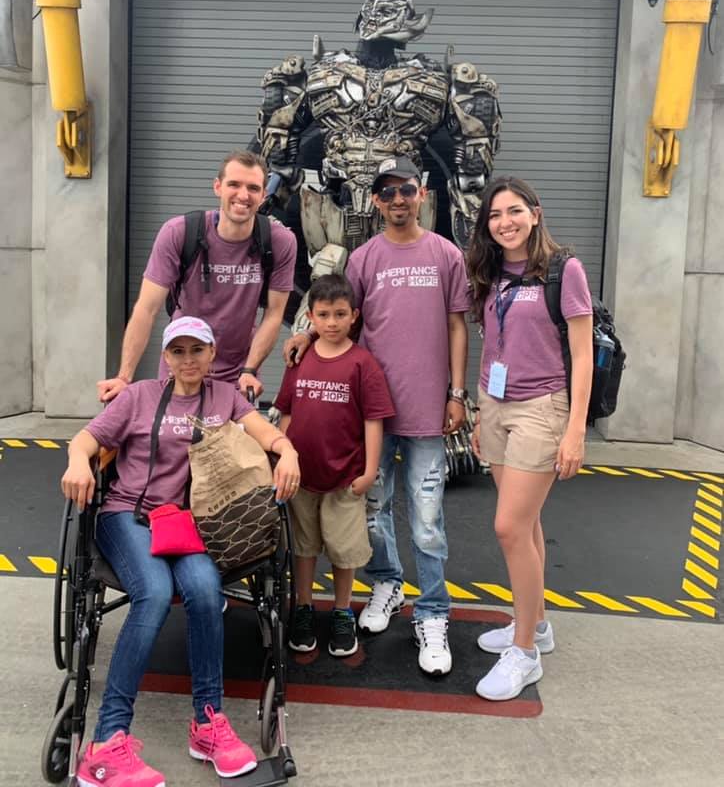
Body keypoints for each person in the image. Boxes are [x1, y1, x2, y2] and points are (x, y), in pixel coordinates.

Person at [62, 316, 301, 787]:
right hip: (126, 515)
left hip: (187, 524)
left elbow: (265, 434)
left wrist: (287, 451)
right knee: (152, 592)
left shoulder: (225, 397)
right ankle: (107, 743)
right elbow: (85, 440)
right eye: (178, 351)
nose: (188, 359)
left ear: (213, 354)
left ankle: (207, 723)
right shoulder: (139, 396)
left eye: (198, 350)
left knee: (207, 591)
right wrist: (76, 462)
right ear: (166, 357)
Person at [285, 156, 470, 676]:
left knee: (428, 520)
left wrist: (456, 393)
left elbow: (458, 326)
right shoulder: (364, 258)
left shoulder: (446, 255)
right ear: (375, 200)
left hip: (428, 411)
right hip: (367, 413)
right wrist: (303, 332)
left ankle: (433, 613)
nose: (397, 200)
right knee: (373, 509)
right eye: (386, 192)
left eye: (405, 190)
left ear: (423, 193)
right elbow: (339, 313)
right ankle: (386, 583)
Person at [467, 177, 593, 701]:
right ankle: (535, 623)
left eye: (514, 211)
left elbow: (583, 355)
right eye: (495, 215)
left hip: (543, 408)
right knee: (528, 523)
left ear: (535, 214)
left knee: (508, 527)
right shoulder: (492, 271)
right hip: (496, 404)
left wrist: (575, 431)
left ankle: (525, 653)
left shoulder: (565, 270)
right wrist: (479, 411)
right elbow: (492, 340)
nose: (505, 222)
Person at [97, 151, 297, 403]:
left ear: (263, 195)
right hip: (181, 367)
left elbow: (274, 315)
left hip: (237, 374)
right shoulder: (179, 233)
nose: (243, 195)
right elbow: (146, 309)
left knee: (233, 442)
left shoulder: (279, 242)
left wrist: (249, 370)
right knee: (174, 439)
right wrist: (124, 377)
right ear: (217, 187)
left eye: (253, 188)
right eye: (234, 184)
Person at [275, 274, 395, 658]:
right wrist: (279, 461)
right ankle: (305, 607)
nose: (331, 323)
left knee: (345, 552)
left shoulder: (363, 364)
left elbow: (373, 420)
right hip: (301, 479)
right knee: (304, 548)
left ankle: (343, 611)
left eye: (340, 314)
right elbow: (287, 414)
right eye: (323, 315)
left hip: (345, 478)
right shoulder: (300, 359)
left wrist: (370, 469)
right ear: (310, 316)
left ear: (354, 316)